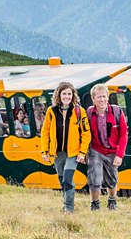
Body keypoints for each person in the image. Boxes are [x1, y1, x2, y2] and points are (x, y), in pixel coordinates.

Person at [38, 82, 91, 213]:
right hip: (57, 153)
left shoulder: (79, 111)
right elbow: (45, 131)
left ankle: (69, 207)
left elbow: (86, 133)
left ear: (73, 95)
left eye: (69, 94)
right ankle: (66, 203)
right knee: (62, 180)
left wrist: (82, 152)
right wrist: (45, 151)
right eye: (64, 94)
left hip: (73, 152)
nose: (67, 96)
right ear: (58, 95)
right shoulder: (51, 111)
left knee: (68, 178)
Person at [85, 85, 127, 211]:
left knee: (112, 179)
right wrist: (84, 152)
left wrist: (120, 155)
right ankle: (95, 204)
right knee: (94, 178)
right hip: (96, 150)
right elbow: (84, 133)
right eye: (99, 97)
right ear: (93, 98)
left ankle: (112, 201)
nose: (102, 100)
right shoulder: (89, 113)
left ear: (108, 98)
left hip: (113, 151)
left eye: (104, 96)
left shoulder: (116, 111)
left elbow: (124, 134)